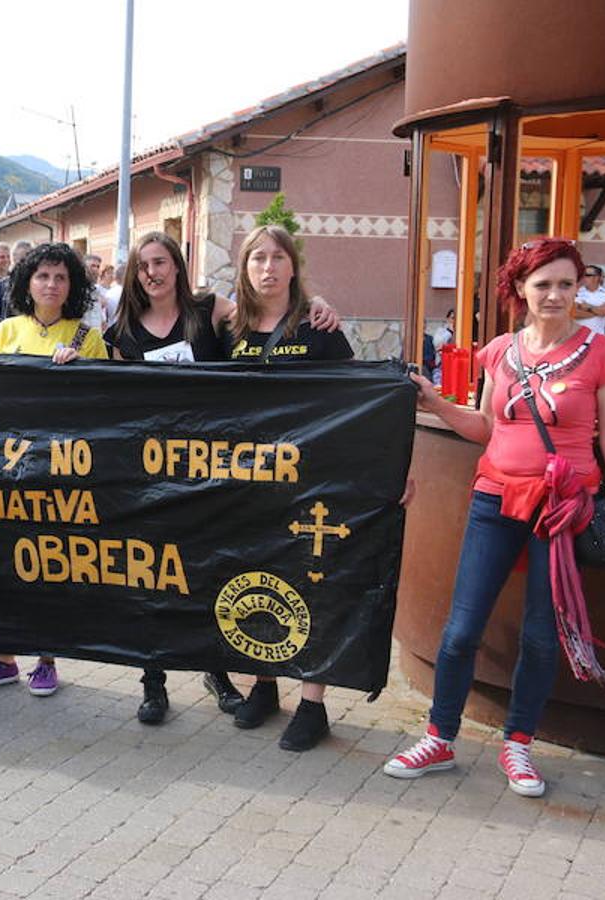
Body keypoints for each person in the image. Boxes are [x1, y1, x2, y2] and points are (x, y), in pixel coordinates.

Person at [384, 238, 605, 797]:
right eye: (543, 284)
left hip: (561, 512)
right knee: (462, 628)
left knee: (542, 639)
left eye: (567, 284)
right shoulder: (500, 350)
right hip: (494, 499)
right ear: (520, 290)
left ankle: (517, 746)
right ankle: (440, 737)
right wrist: (439, 405)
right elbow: (489, 429)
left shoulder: (602, 355)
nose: (556, 295)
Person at [107, 230, 343, 726]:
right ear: (133, 272)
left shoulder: (214, 314)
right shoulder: (123, 329)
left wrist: (316, 301)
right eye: (144, 264)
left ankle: (247, 680)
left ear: (177, 266)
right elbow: (112, 400)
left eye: (162, 262)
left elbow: (276, 308)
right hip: (162, 475)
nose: (153, 272)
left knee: (224, 574)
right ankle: (158, 681)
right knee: (159, 578)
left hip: (236, 476)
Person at [218, 226, 355, 750]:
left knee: (311, 583)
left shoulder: (319, 327)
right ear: (245, 267)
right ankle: (263, 684)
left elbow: (358, 402)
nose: (268, 268)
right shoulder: (229, 329)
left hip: (311, 482)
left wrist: (385, 472)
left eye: (278, 258)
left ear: (293, 266)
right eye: (258, 258)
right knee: (253, 579)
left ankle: (313, 703)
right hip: (248, 483)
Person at [0, 242, 108, 698]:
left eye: (61, 277)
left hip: (61, 472)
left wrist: (81, 371)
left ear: (73, 286)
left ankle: (46, 658)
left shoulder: (88, 338)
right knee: (4, 565)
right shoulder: (6, 331)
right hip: (9, 470)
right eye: (43, 276)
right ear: (27, 281)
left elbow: (109, 404)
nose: (51, 284)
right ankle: (2, 658)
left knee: (52, 566)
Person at [0, 239, 33, 334]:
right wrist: (1, 339)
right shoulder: (2, 285)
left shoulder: (38, 286)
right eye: (20, 260)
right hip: (7, 342)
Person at [573, 265, 605, 335]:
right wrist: (599, 312)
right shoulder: (576, 292)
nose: (583, 277)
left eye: (587, 275)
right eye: (582, 275)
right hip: (577, 335)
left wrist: (589, 307)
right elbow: (574, 313)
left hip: (598, 336)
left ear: (597, 277)